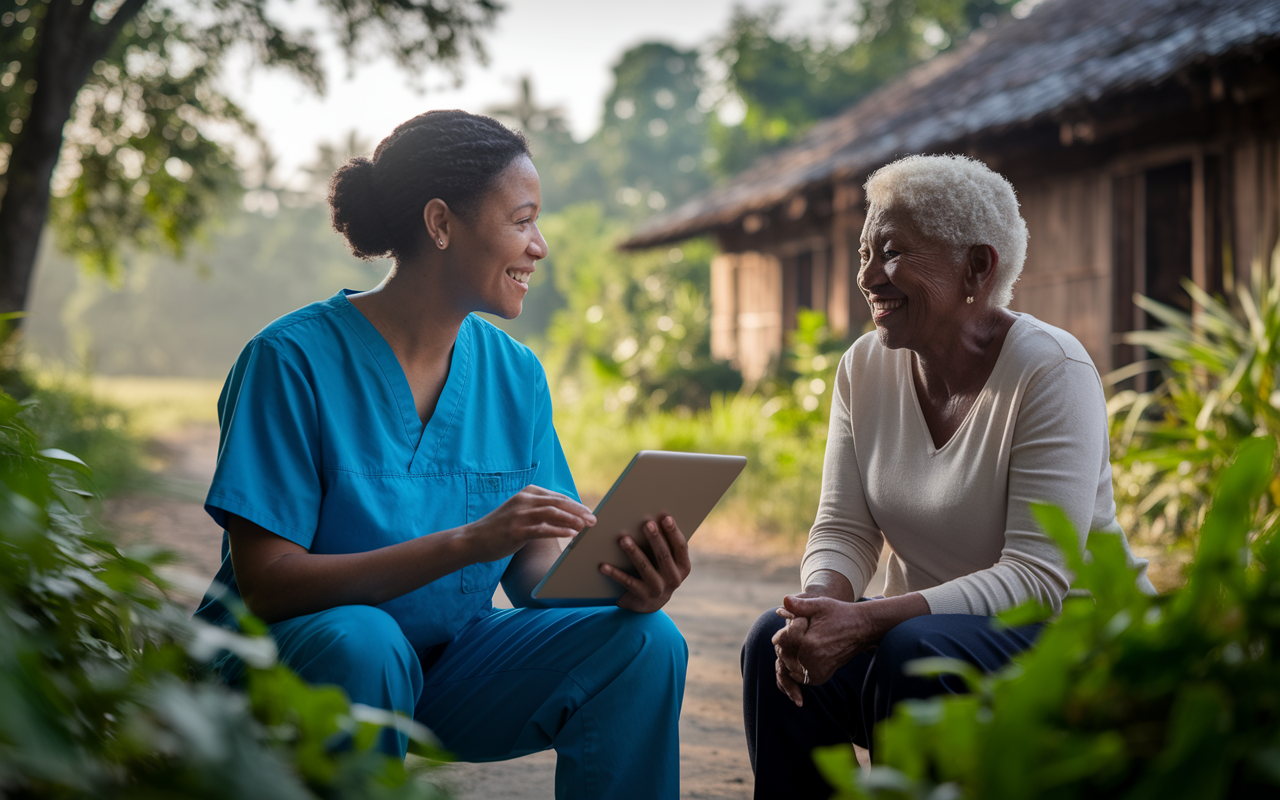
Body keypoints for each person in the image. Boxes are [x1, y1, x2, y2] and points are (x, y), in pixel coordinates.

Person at [194, 110, 691, 800]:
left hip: (443, 672)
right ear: (440, 223)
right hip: (298, 670)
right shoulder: (289, 360)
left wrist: (623, 586)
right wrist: (466, 542)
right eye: (521, 221)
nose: (539, 246)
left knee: (644, 642)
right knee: (364, 641)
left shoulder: (515, 375)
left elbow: (533, 567)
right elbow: (268, 584)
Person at [740, 154, 1155, 799]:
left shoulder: (1052, 371)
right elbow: (844, 526)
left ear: (977, 268)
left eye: (896, 253)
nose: (870, 277)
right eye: (864, 252)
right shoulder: (864, 368)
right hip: (930, 635)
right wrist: (821, 607)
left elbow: (1038, 578)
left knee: (915, 651)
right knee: (775, 640)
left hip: (1072, 639)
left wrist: (870, 623)